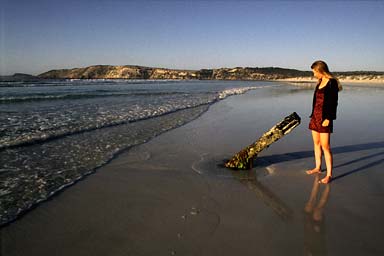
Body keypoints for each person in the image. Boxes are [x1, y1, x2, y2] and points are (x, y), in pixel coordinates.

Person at [306, 60, 342, 184]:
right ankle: (317, 167)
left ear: (321, 70)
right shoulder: (319, 82)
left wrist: (329, 118)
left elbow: (334, 103)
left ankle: (329, 174)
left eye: (314, 72)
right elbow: (316, 102)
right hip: (315, 117)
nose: (314, 75)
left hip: (325, 118)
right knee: (316, 143)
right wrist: (312, 115)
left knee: (325, 146)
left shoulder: (331, 83)